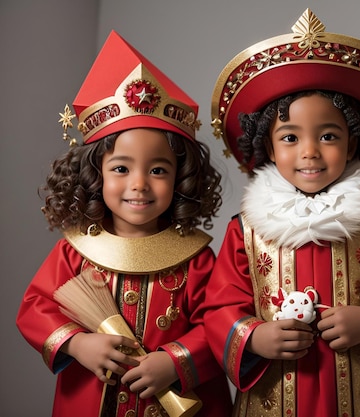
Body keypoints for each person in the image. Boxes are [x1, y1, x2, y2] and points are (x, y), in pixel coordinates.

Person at [204, 9, 360, 417]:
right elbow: (219, 307)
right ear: (269, 147)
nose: (310, 151)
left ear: (352, 145)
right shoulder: (246, 230)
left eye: (329, 136)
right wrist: (254, 337)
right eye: (290, 137)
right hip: (274, 396)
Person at [16, 31, 233, 417]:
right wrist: (78, 344)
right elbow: (35, 308)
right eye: (121, 168)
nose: (139, 184)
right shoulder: (75, 249)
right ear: (95, 174)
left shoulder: (196, 258)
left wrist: (175, 360)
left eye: (158, 169)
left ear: (181, 177)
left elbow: (218, 323)